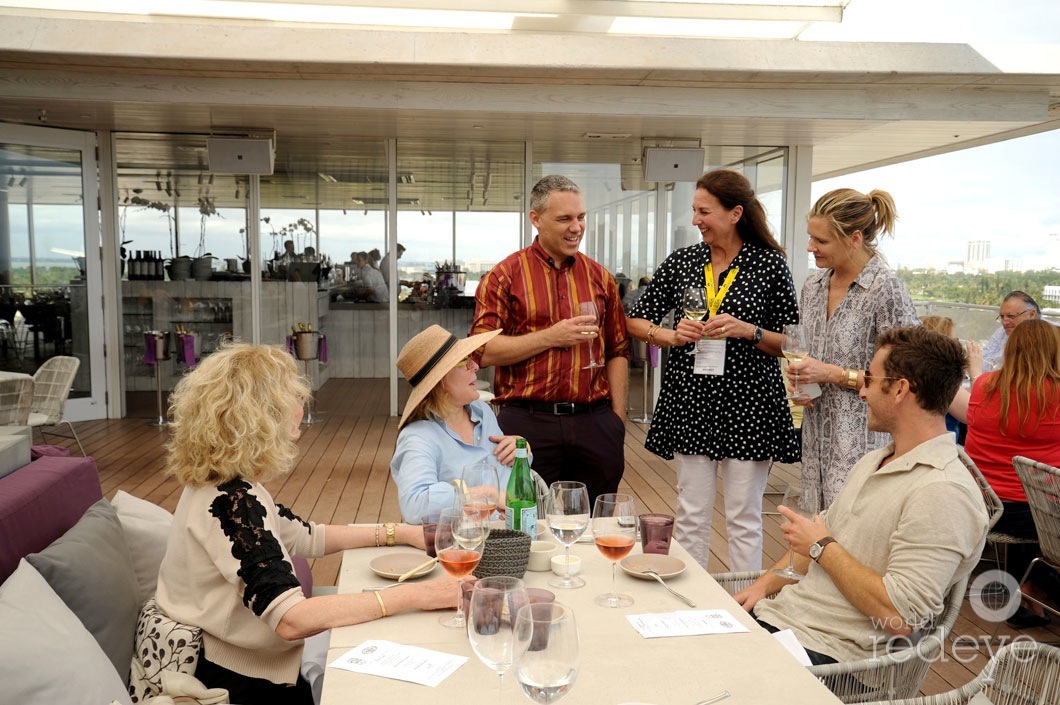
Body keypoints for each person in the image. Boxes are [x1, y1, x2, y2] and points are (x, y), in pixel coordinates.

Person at [155, 343, 458, 703]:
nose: (300, 408)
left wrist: (400, 532)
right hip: (235, 680)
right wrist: (418, 595)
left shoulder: (224, 484)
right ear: (260, 416)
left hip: (242, 661)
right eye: (291, 399)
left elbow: (307, 536)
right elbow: (291, 619)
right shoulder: (231, 503)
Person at [738, 326, 989, 664]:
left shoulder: (943, 492)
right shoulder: (877, 459)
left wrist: (823, 547)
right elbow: (819, 536)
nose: (862, 392)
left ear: (900, 390)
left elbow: (902, 617)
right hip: (783, 624)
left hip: (834, 658)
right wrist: (762, 586)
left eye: (870, 379)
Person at [626, 169, 800, 572]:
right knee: (690, 513)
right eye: (694, 210)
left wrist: (748, 330)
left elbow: (792, 340)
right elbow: (636, 321)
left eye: (704, 211)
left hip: (750, 404)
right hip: (692, 401)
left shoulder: (769, 265)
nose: (695, 220)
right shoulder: (684, 261)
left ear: (735, 213)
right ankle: (695, 605)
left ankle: (745, 607)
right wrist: (669, 336)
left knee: (743, 516)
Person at [470, 174, 630, 504]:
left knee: (593, 524)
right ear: (536, 219)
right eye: (565, 219)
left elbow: (617, 349)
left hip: (595, 422)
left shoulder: (601, 277)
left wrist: (617, 419)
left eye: (581, 217)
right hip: (527, 423)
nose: (576, 227)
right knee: (524, 519)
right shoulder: (504, 276)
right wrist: (550, 337)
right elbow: (482, 351)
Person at [786, 187, 918, 509]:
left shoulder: (886, 289)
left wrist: (832, 373)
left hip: (864, 444)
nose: (810, 247)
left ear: (854, 238)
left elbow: (908, 378)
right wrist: (799, 380)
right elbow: (806, 352)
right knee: (818, 533)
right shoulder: (813, 286)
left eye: (821, 241)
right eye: (810, 237)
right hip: (816, 438)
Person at [951, 319, 1060, 628]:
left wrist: (976, 370)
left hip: (982, 505)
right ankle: (1032, 587)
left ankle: (1029, 589)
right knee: (1046, 506)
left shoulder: (985, 385)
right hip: (1037, 518)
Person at [391, 324, 526, 522]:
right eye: (464, 361)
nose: (475, 366)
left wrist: (521, 450)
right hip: (459, 545)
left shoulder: (482, 412)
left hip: (508, 535)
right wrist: (483, 494)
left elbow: (508, 472)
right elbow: (414, 504)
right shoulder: (418, 437)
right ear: (440, 381)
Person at [920, 315, 982, 439]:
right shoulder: (941, 380)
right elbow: (976, 415)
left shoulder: (919, 374)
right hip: (940, 449)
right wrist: (975, 372)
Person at [982, 291, 1041, 370]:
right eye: (1002, 317)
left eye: (1011, 316)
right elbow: (984, 360)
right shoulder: (1002, 332)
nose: (1004, 322)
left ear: (1031, 314)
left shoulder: (1052, 335)